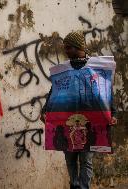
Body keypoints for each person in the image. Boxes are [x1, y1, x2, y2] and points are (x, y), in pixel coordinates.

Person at [41, 31, 117, 189]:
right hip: (66, 122)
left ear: (78, 47)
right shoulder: (63, 70)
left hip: (90, 123)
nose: (66, 51)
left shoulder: (97, 67)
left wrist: (113, 113)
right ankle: (74, 185)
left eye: (68, 47)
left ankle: (84, 187)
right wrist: (45, 110)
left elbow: (106, 92)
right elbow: (54, 91)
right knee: (69, 159)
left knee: (86, 160)